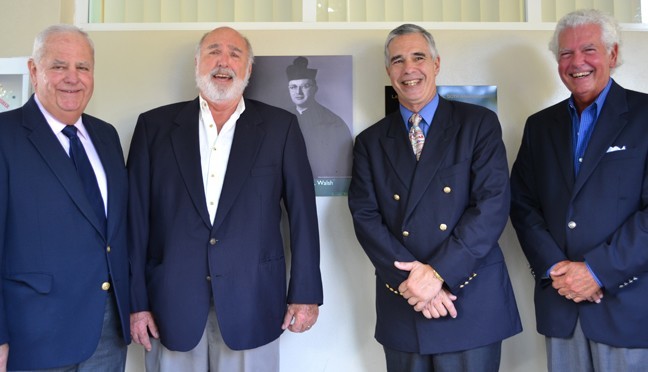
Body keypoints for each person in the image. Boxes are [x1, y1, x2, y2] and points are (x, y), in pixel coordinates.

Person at [127, 26, 323, 371]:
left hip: (254, 300)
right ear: (197, 62)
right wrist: (136, 303)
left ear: (248, 68)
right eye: (214, 51)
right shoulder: (153, 127)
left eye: (235, 54)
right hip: (170, 305)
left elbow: (304, 216)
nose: (224, 61)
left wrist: (305, 293)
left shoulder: (281, 127)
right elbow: (136, 221)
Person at [348, 23, 521, 371]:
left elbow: (492, 206)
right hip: (405, 301)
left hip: (468, 299)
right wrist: (415, 285)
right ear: (388, 71)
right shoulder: (370, 142)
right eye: (398, 61)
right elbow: (366, 217)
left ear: (436, 64)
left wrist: (439, 274)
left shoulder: (478, 124)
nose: (408, 69)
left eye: (418, 57)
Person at [510, 9, 648, 371]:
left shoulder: (646, 115)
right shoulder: (539, 127)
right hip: (562, 304)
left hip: (626, 305)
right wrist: (557, 268)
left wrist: (597, 271)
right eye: (566, 54)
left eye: (589, 50)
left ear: (613, 55)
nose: (577, 62)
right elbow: (522, 204)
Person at [0, 25, 130, 370]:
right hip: (33, 334)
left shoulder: (106, 136)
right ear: (34, 70)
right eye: (59, 66)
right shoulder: (4, 135)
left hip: (107, 334)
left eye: (82, 67)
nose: (72, 78)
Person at [285, 56, 353, 179]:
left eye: (305, 86)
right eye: (293, 87)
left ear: (315, 89)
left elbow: (341, 167)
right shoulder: (280, 119)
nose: (298, 92)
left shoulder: (333, 122)